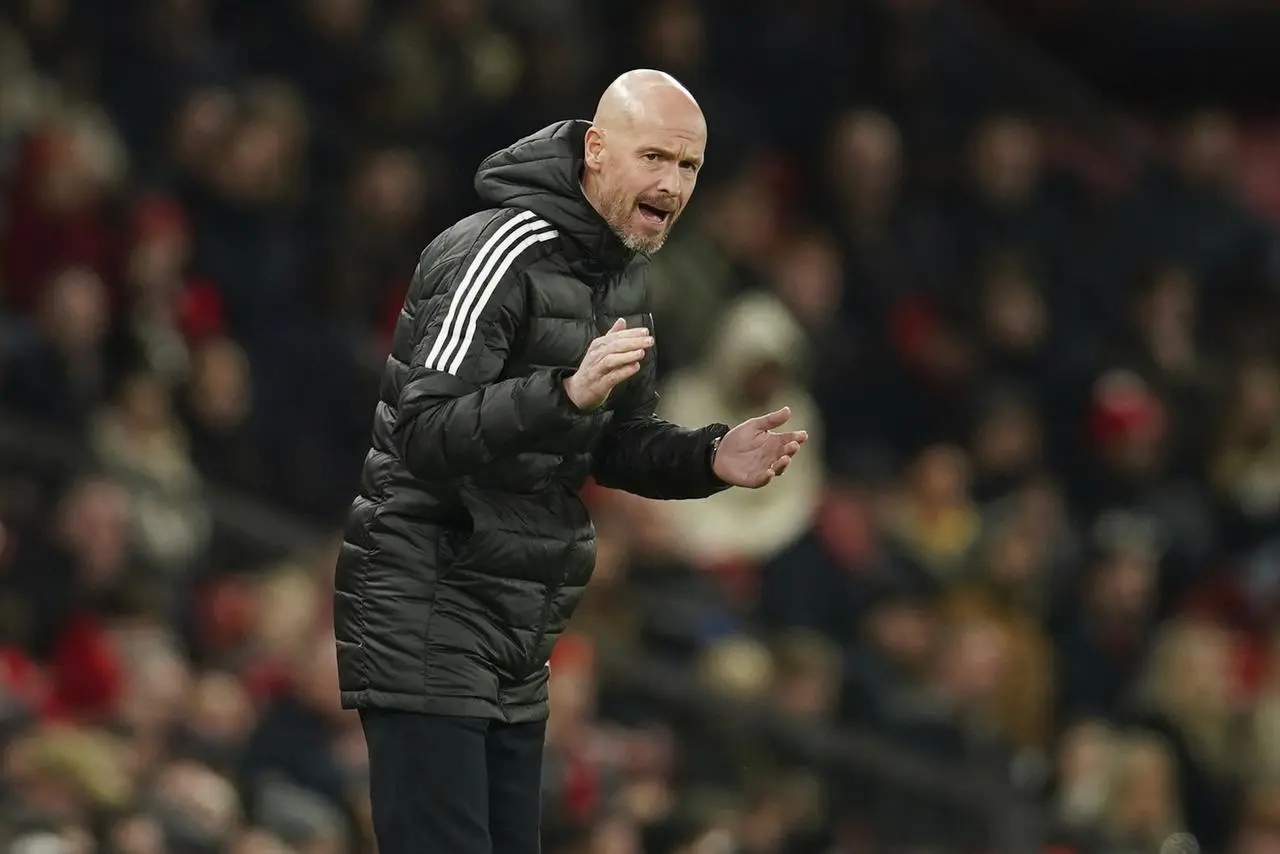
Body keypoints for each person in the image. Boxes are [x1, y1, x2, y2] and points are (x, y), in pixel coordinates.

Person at [333, 69, 808, 854]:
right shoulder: (498, 248)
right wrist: (562, 393)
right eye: (654, 157)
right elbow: (422, 428)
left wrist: (710, 456)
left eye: (688, 166)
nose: (673, 182)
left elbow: (616, 439)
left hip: (519, 619)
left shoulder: (622, 275)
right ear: (595, 150)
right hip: (431, 596)